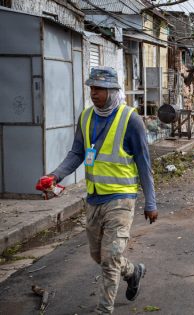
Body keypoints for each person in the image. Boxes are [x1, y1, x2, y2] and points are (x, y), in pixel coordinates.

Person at [37, 67, 157, 314]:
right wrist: (55, 175)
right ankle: (134, 272)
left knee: (110, 256)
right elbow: (77, 153)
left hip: (121, 200)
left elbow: (144, 163)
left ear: (113, 91)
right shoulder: (86, 117)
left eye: (100, 89)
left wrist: (151, 202)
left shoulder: (130, 119)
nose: (94, 93)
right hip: (94, 199)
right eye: (92, 88)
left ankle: (104, 310)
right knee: (99, 256)